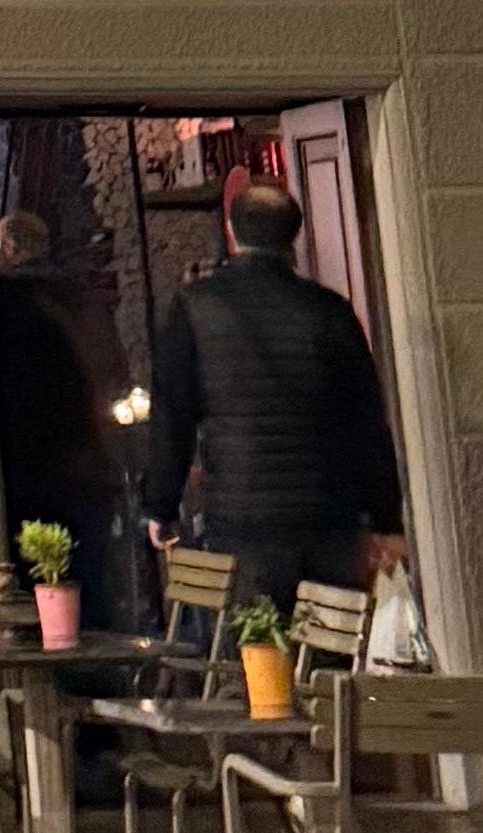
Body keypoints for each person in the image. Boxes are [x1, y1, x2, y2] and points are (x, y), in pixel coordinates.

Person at [146, 178, 405, 631]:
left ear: (231, 231)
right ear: (293, 236)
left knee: (260, 653)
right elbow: (366, 422)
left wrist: (161, 505)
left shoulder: (195, 307)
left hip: (244, 518)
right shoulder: (331, 310)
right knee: (329, 652)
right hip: (330, 518)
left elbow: (174, 415)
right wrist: (386, 518)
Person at [0, 211, 115, 615]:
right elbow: (105, 369)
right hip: (80, 465)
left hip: (27, 470)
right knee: (84, 595)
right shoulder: (72, 300)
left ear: (7, 247)